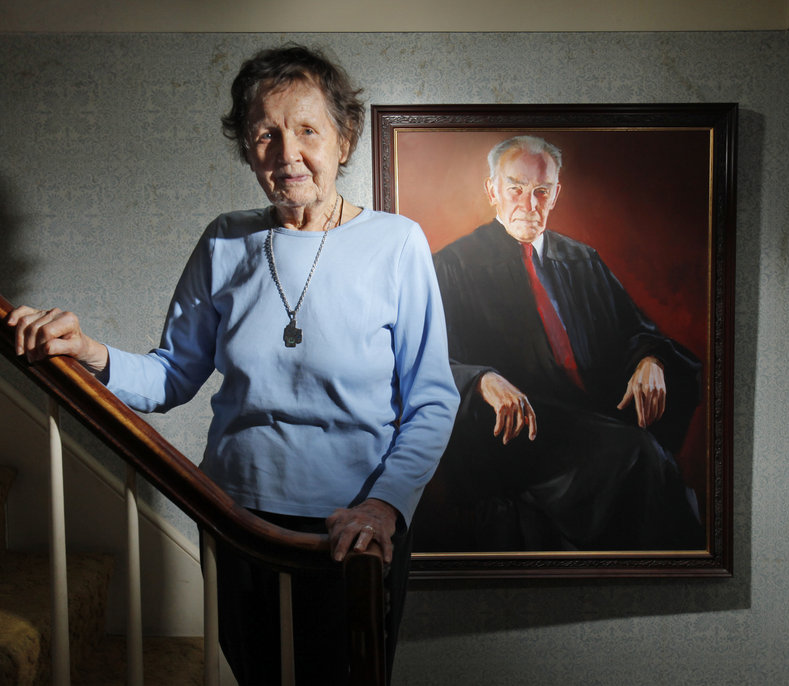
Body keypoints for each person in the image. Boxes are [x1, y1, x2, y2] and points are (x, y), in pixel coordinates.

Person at [7, 45, 459, 685]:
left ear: (344, 139)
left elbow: (433, 401)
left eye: (307, 130)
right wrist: (89, 352)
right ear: (247, 149)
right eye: (265, 134)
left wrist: (384, 508)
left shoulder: (398, 243)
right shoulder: (224, 238)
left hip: (354, 529)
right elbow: (170, 376)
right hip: (235, 521)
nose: (287, 153)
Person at [414, 135, 703, 554]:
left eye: (541, 192)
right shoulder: (453, 264)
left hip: (594, 412)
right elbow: (427, 356)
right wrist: (481, 379)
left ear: (556, 194)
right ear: (492, 190)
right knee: (638, 455)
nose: (529, 205)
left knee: (649, 453)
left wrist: (650, 359)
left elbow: (637, 329)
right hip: (521, 429)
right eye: (515, 188)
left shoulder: (581, 260)